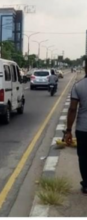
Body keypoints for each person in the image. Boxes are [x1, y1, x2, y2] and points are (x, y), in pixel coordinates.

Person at [65, 59, 87, 195]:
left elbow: (72, 109)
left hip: (83, 129)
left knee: (84, 157)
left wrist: (68, 131)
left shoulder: (78, 86)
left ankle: (86, 184)